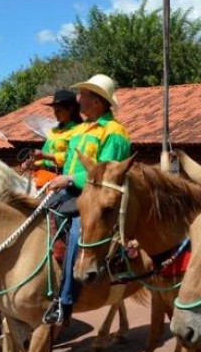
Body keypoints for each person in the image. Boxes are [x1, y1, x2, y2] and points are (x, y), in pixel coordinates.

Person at [41, 74, 132, 325]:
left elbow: (104, 174)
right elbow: (69, 161)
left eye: (85, 95)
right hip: (70, 192)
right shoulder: (82, 129)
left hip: (96, 199)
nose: (79, 99)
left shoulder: (114, 132)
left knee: (77, 234)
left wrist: (69, 179)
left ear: (99, 102)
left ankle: (65, 301)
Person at [29, 89, 84, 190]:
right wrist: (32, 162)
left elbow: (71, 158)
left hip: (62, 178)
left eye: (59, 110)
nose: (55, 114)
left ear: (70, 109)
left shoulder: (78, 131)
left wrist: (45, 156)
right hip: (44, 175)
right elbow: (43, 153)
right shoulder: (54, 131)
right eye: (54, 111)